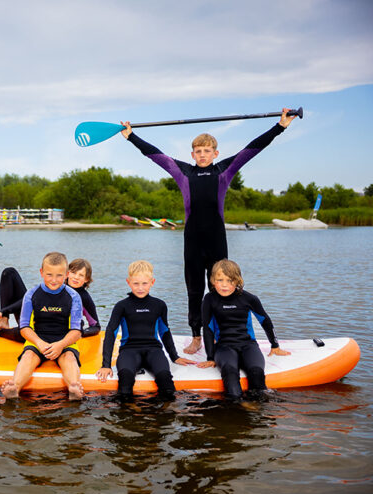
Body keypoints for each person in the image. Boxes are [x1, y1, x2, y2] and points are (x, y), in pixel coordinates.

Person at [121, 109, 298, 354]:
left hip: (216, 241)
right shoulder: (183, 171)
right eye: (198, 152)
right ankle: (196, 337)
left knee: (221, 290)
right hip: (192, 241)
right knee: (194, 291)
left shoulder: (224, 170)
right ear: (193, 154)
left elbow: (254, 148)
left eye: (207, 151)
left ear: (215, 153)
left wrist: (280, 126)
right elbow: (154, 155)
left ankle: (226, 335)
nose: (202, 155)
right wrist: (131, 136)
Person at [96, 260, 195, 401]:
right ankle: (129, 415)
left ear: (152, 282)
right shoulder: (122, 306)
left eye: (144, 283)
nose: (140, 288)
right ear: (128, 282)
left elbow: (165, 332)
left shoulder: (159, 305)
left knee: (166, 384)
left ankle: (163, 418)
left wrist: (175, 357)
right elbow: (111, 333)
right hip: (129, 351)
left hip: (153, 350)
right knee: (124, 387)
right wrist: (105, 365)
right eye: (136, 283)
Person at [196, 259, 290, 400]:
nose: (224, 285)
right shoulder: (209, 299)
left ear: (237, 280)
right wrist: (210, 357)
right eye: (220, 280)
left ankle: (254, 407)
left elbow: (265, 321)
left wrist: (275, 345)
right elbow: (207, 328)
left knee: (257, 374)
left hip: (248, 345)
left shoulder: (249, 298)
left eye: (230, 280)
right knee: (230, 374)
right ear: (212, 281)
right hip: (224, 347)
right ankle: (238, 407)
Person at [0, 252, 84, 400]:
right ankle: (15, 387)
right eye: (49, 274)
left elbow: (77, 331)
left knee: (69, 358)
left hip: (65, 340)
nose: (54, 280)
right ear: (41, 272)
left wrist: (60, 345)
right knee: (28, 356)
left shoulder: (74, 297)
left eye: (59, 275)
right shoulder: (31, 294)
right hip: (37, 339)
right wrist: (39, 343)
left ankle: (74, 387)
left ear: (67, 275)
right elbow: (24, 327)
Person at [0, 258, 100, 341]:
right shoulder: (56, 285)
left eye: (81, 275)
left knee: (29, 334)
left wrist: (79, 333)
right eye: (73, 273)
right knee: (9, 273)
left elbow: (95, 326)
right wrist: (3, 312)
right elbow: (29, 300)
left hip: (49, 330)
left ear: (87, 279)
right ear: (67, 273)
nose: (76, 278)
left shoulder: (83, 297)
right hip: (31, 318)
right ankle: (4, 321)